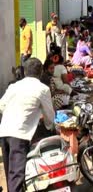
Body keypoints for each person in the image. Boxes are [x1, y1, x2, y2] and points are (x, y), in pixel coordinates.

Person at [0, 58, 55, 192]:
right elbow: (50, 115)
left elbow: (1, 105)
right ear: (41, 72)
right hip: (20, 134)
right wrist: (49, 126)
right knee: (17, 177)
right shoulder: (42, 89)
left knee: (10, 175)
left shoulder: (14, 86)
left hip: (5, 130)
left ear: (24, 71)